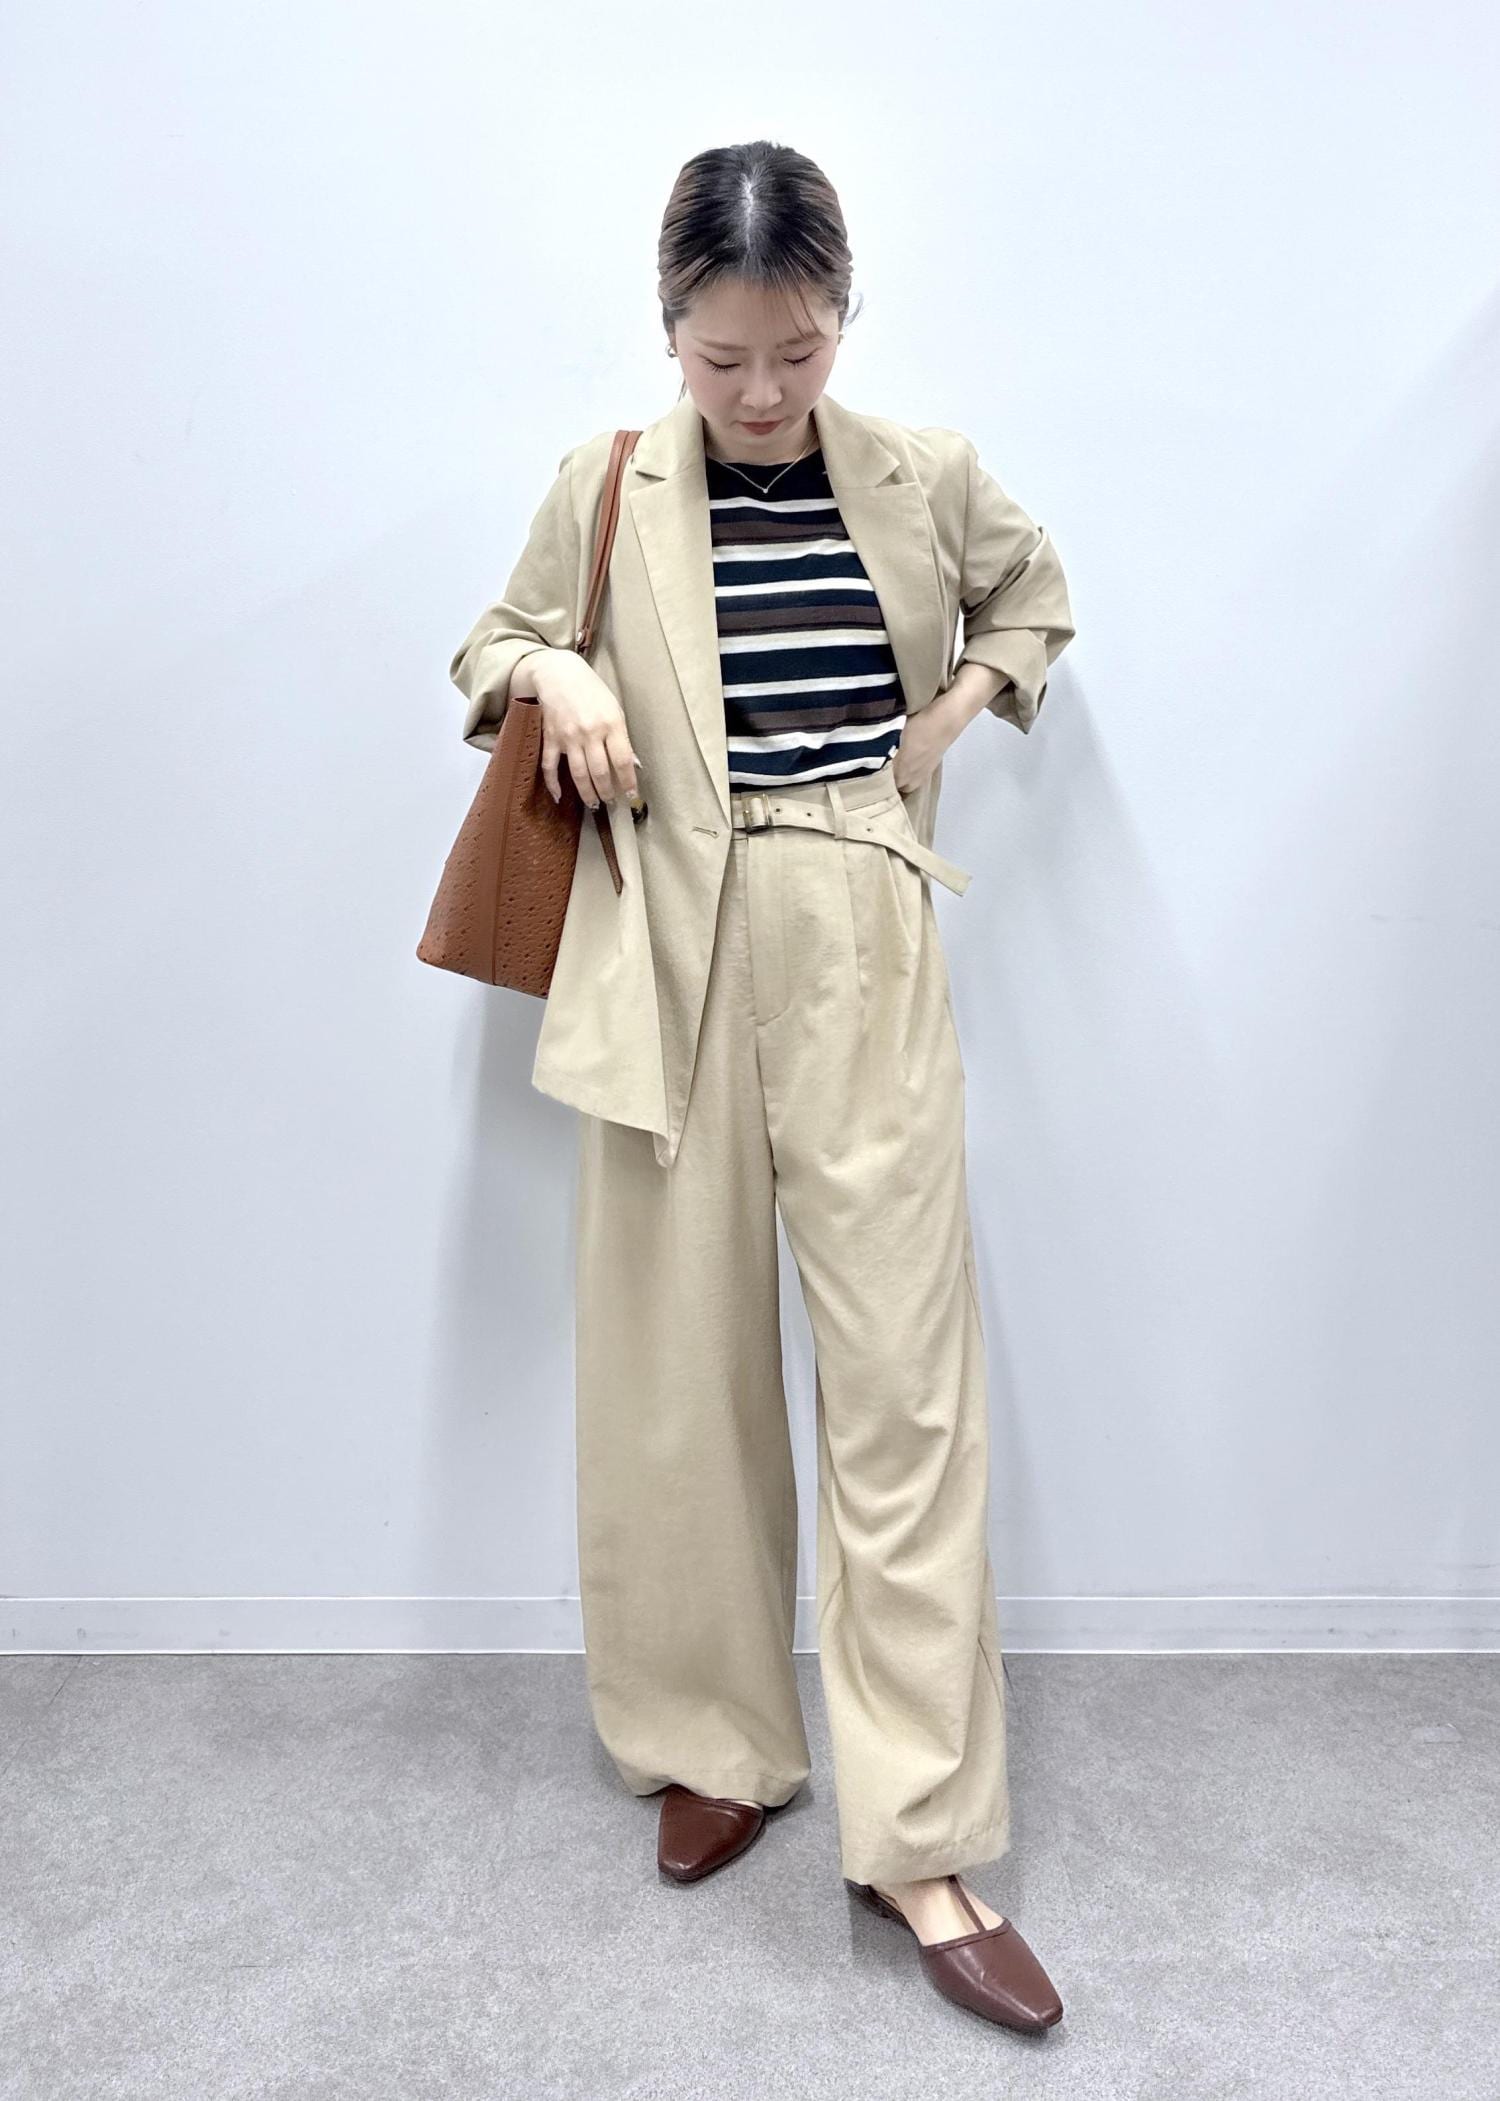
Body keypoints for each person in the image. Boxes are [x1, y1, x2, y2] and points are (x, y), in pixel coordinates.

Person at [449, 140, 1075, 2035]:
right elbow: (488, 642)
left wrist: (943, 722)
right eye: (723, 356)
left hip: (861, 924)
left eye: (798, 350)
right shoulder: (609, 484)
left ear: (841, 317)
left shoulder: (922, 472)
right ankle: (714, 1737)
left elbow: (1033, 599)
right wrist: (556, 677)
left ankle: (923, 1834)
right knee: (680, 1372)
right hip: (666, 944)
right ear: (670, 329)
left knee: (903, 1386)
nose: (762, 392)